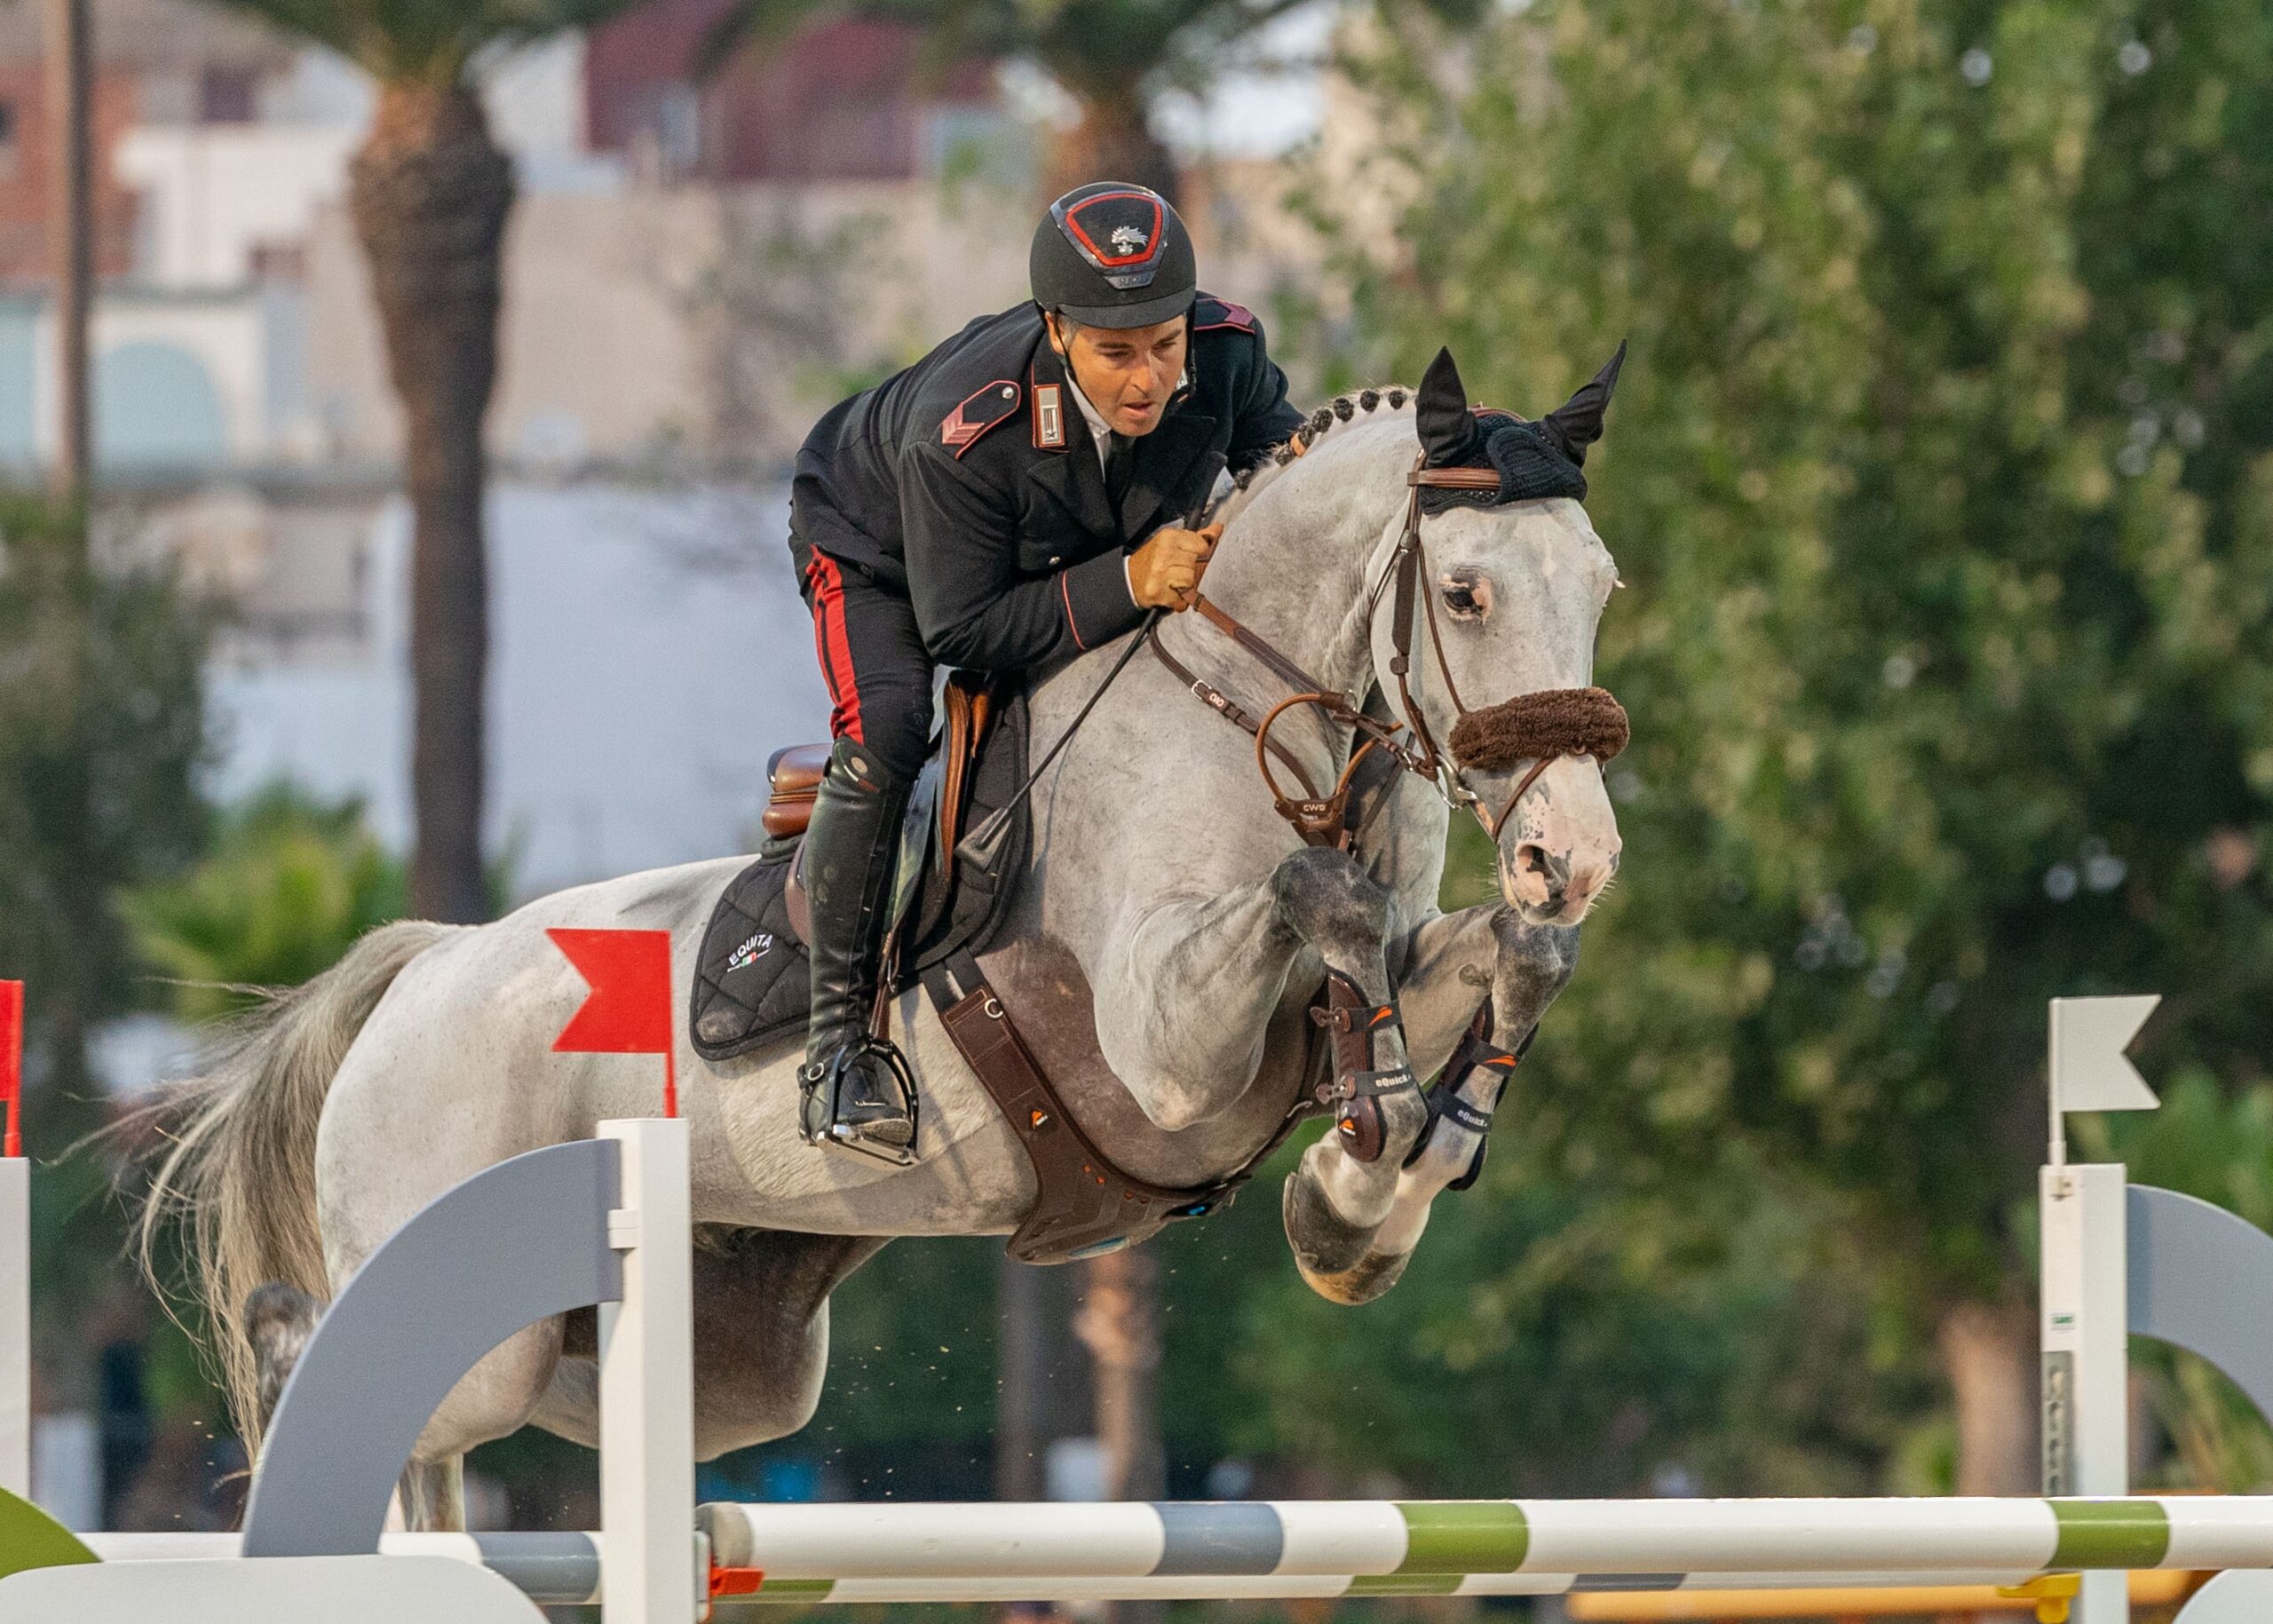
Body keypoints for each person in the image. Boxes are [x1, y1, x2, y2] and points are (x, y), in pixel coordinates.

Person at [787, 180, 1306, 1159]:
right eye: (1116, 354)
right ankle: (838, 1057)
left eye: (1164, 343)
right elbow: (967, 630)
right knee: (891, 726)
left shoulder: (1229, 352)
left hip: (1058, 553)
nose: (1147, 379)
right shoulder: (968, 428)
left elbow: (1285, 476)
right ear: (1057, 331)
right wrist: (1130, 579)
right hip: (878, 546)